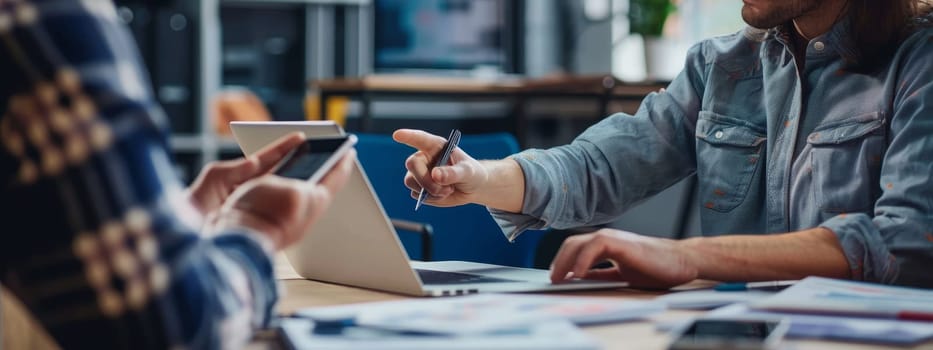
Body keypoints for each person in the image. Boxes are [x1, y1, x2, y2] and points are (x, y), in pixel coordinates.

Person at [396, 0, 933, 289]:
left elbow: (905, 240)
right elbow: (601, 166)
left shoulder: (919, 59)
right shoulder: (720, 66)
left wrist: (689, 258)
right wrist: (476, 178)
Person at [0, 1, 355, 348]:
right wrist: (258, 227)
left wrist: (171, 217)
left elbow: (38, 234)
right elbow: (170, 329)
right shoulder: (43, 18)